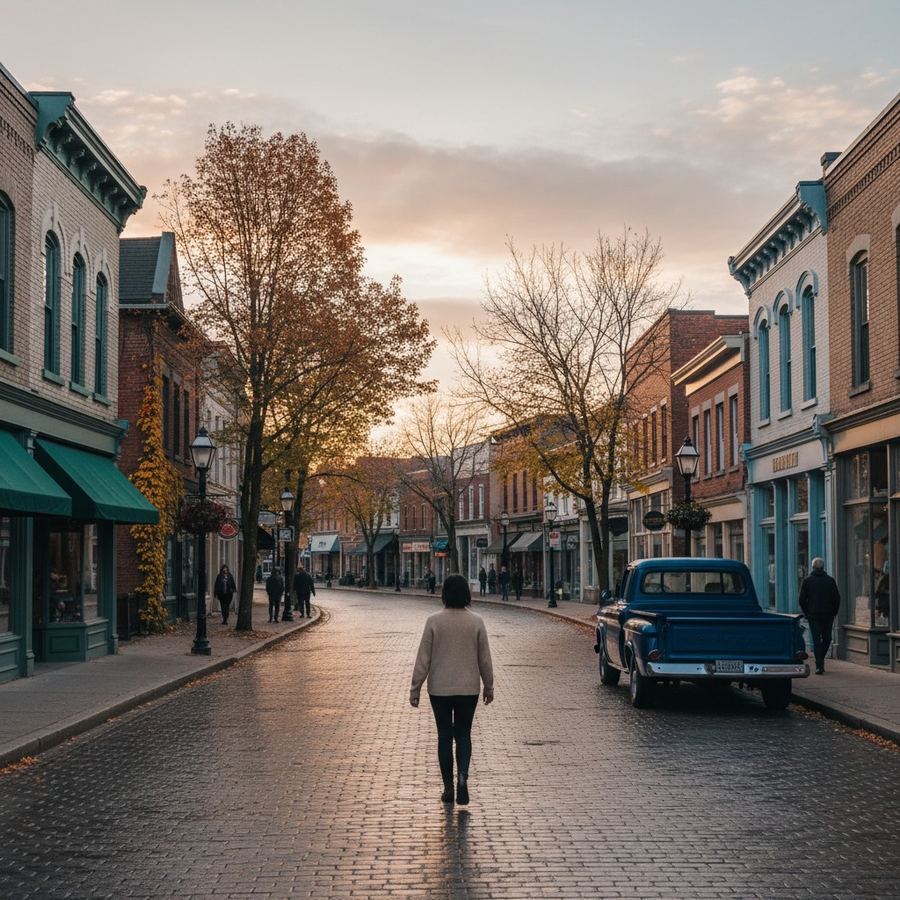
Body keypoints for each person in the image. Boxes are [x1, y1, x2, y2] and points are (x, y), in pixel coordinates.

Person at [410, 574, 494, 806]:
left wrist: (415, 688)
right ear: (467, 593)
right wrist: (489, 685)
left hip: (439, 689)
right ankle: (463, 778)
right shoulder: (476, 622)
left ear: (444, 594)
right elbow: (484, 659)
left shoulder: (433, 621)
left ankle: (448, 787)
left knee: (445, 736)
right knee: (464, 734)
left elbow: (423, 658)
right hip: (468, 688)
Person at [799, 557, 841, 674]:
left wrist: (806, 612)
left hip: (814, 615)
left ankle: (819, 663)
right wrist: (834, 612)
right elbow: (837, 599)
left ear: (812, 567)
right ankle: (820, 663)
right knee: (827, 639)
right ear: (823, 567)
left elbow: (801, 599)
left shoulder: (807, 581)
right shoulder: (830, 581)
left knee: (817, 640)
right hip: (827, 615)